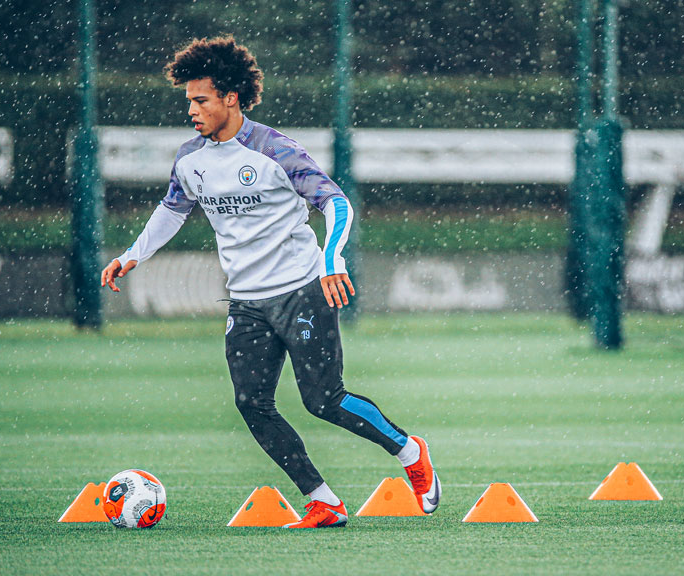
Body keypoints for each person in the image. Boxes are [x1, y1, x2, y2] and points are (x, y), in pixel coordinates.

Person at [100, 36, 439, 528]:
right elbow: (172, 210)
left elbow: (335, 202)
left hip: (302, 290)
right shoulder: (189, 159)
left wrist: (332, 259)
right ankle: (323, 501)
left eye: (201, 100)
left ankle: (410, 451)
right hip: (247, 302)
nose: (192, 110)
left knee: (323, 401)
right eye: (188, 101)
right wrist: (133, 255)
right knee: (251, 403)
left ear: (231, 98)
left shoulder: (274, 150)